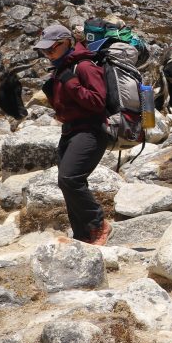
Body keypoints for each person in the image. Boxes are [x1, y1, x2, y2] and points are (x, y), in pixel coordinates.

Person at [34, 24, 112, 245]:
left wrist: (70, 83)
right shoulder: (62, 69)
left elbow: (98, 102)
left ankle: (99, 225)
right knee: (66, 182)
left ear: (67, 42)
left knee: (70, 178)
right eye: (44, 50)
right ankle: (82, 235)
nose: (47, 54)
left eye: (51, 49)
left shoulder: (84, 66)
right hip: (70, 131)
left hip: (91, 130)